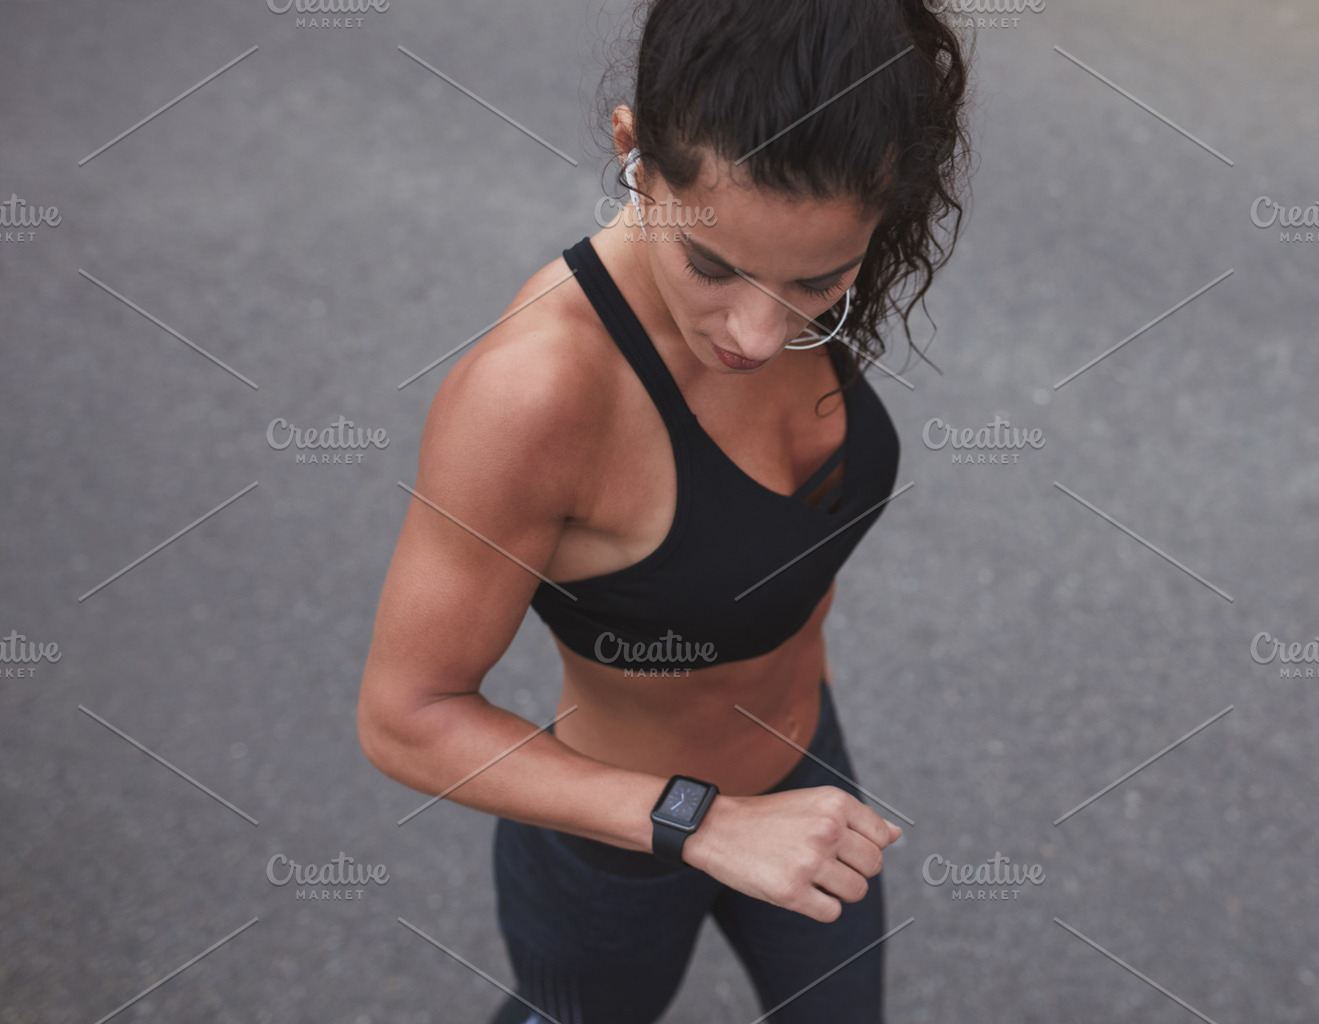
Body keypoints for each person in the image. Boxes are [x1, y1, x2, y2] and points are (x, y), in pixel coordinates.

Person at [356, 1, 970, 1022]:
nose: (757, 334)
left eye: (819, 281)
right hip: (619, 853)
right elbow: (404, 718)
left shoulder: (801, 261)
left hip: (807, 773)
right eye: (712, 266)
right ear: (632, 152)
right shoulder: (535, 396)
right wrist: (702, 821)